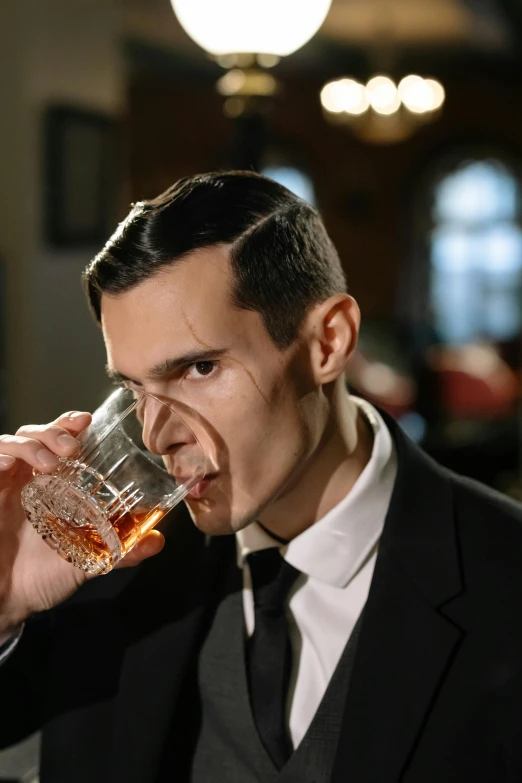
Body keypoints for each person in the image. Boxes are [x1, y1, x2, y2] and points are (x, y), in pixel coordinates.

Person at [1, 171, 522, 783]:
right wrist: (5, 599)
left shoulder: (504, 581)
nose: (153, 435)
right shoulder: (111, 565)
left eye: (199, 368)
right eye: (133, 388)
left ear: (329, 342)